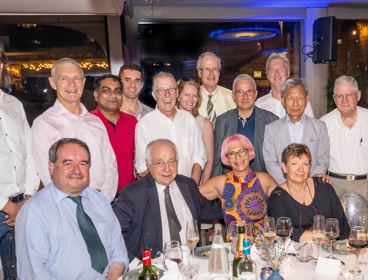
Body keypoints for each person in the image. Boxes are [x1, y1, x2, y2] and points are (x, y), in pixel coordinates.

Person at [16, 138, 129, 279]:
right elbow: (34, 273)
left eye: (82, 163)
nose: (76, 170)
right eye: (68, 163)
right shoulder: (34, 211)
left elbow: (118, 254)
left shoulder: (100, 201)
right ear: (51, 167)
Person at [113, 139, 223, 261]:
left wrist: (241, 202)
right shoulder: (133, 193)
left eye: (171, 162)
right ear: (148, 164)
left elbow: (212, 209)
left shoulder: (188, 185)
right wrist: (134, 263)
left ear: (177, 162)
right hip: (155, 267)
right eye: (159, 163)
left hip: (189, 260)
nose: (167, 169)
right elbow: (111, 231)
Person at [31, 57, 118, 202]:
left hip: (104, 202)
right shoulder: (43, 124)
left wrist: (104, 200)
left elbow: (111, 165)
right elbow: (48, 176)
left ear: (83, 83)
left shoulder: (96, 121)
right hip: (68, 205)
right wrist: (75, 205)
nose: (71, 84)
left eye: (76, 78)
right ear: (53, 83)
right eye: (64, 78)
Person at [0, 40, 39, 280]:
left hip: (22, 209)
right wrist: (7, 206)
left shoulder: (13, 103)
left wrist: (28, 198)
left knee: (21, 275)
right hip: (5, 208)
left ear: (2, 65)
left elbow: (30, 153)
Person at [134, 72, 207, 185]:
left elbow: (199, 157)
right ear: (154, 95)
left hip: (188, 190)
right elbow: (141, 167)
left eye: (170, 89)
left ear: (177, 93)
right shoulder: (144, 125)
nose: (167, 95)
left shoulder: (188, 119)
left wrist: (192, 188)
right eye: (161, 90)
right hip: (160, 194)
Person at [268, 143, 349, 242]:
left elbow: (342, 226)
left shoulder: (324, 187)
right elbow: (282, 233)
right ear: (284, 167)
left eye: (305, 164)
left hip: (329, 250)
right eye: (294, 163)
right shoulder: (278, 197)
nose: (301, 169)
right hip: (295, 253)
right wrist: (319, 236)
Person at [200, 134, 277, 233]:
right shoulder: (221, 182)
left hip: (261, 245)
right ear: (226, 159)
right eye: (232, 153)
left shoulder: (263, 179)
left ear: (250, 154)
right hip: (234, 245)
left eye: (242, 151)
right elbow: (189, 195)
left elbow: (285, 204)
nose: (238, 157)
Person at [263, 78, 330, 185]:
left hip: (311, 187)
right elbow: (271, 162)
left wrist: (308, 183)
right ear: (283, 101)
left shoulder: (319, 127)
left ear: (306, 100)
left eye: (300, 98)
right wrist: (289, 185)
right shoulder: (271, 129)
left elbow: (323, 160)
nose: (295, 104)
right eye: (290, 98)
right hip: (283, 187)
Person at [213, 74, 278, 177]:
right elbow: (216, 161)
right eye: (240, 92)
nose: (245, 97)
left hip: (262, 185)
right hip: (231, 184)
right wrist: (217, 189)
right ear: (233, 96)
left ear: (256, 94)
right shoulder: (222, 121)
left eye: (249, 91)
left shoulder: (271, 120)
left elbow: (277, 160)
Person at [320, 76, 368, 199]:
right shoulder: (324, 123)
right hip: (333, 184)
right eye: (340, 96)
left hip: (364, 185)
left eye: (348, 95)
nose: (344, 100)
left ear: (358, 95)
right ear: (334, 99)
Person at [91, 75, 137, 199]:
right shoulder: (88, 123)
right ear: (96, 95)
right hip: (99, 197)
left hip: (129, 196)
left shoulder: (132, 121)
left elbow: (138, 157)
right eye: (106, 90)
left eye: (117, 91)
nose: (113, 95)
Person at [177, 77, 213, 184]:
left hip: (198, 182)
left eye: (195, 96)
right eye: (187, 95)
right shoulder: (170, 122)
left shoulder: (204, 123)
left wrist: (201, 188)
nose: (191, 100)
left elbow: (209, 160)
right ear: (178, 96)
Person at [255, 53, 314, 119]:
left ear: (288, 73)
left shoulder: (301, 102)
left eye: (281, 69)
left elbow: (312, 128)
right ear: (268, 75)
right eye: (272, 70)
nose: (277, 73)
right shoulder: (259, 105)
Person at [196, 52, 236, 127]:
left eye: (214, 69)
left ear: (219, 72)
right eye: (207, 69)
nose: (211, 73)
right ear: (199, 73)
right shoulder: (191, 98)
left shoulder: (231, 97)